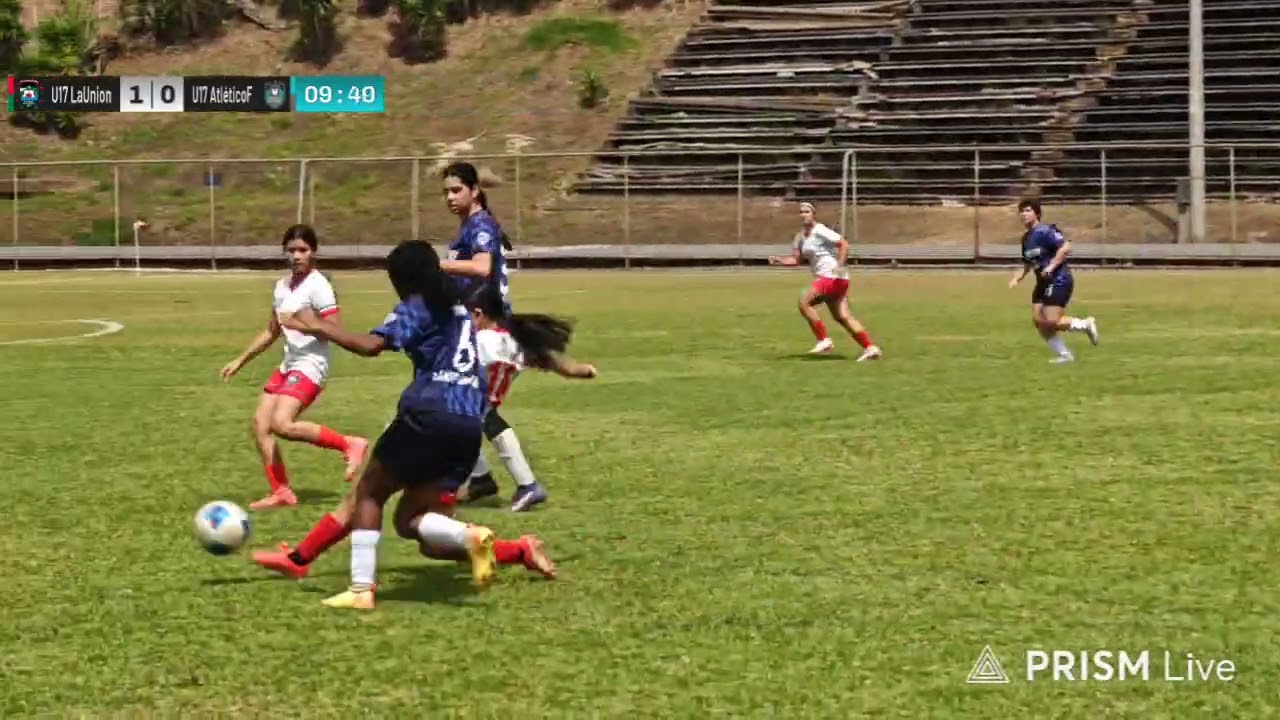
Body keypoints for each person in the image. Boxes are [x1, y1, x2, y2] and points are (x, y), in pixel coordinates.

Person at [255, 241, 555, 609]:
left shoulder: (419, 305)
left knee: (368, 495)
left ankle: (361, 588)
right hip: (467, 425)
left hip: (428, 413)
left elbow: (371, 346)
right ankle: (512, 548)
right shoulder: (458, 305)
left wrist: (319, 326)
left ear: (402, 279)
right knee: (415, 525)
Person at [219, 224, 368, 511]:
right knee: (260, 425)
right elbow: (272, 331)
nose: (297, 255)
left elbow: (334, 330)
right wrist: (240, 360)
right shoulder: (281, 287)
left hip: (312, 364)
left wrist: (301, 322)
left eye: (303, 250)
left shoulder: (319, 286)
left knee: (282, 424)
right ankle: (281, 492)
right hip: (289, 364)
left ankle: (349, 444)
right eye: (292, 250)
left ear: (313, 253)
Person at [456, 283, 598, 511]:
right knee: (464, 426)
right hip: (484, 395)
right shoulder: (513, 340)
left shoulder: (482, 341)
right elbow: (553, 362)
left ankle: (527, 486)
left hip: (476, 395)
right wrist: (580, 370)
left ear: (478, 314)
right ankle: (482, 481)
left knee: (470, 419)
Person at [768, 202, 883, 361]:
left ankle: (824, 340)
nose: (804, 214)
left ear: (813, 213)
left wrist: (840, 265)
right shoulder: (800, 237)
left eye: (807, 211)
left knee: (804, 302)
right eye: (801, 212)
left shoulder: (820, 230)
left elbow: (842, 243)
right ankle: (870, 348)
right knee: (843, 317)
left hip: (832, 276)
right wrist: (779, 261)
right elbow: (796, 260)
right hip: (833, 279)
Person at [1008, 199, 1099, 363]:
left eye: (1028, 210)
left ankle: (1085, 324)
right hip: (1041, 283)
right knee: (1039, 322)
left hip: (1058, 279)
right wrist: (1017, 278)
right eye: (1021, 211)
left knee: (1051, 321)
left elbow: (1065, 248)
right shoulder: (1026, 238)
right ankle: (1065, 355)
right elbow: (1027, 263)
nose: (1024, 214)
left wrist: (1050, 267)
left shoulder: (1046, 231)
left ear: (1037, 213)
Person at [438, 161, 514, 312]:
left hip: (489, 319)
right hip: (477, 315)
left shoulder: (481, 225)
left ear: (474, 191)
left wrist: (434, 264)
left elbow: (481, 267)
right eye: (446, 192)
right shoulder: (471, 224)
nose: (450, 197)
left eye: (456, 190)